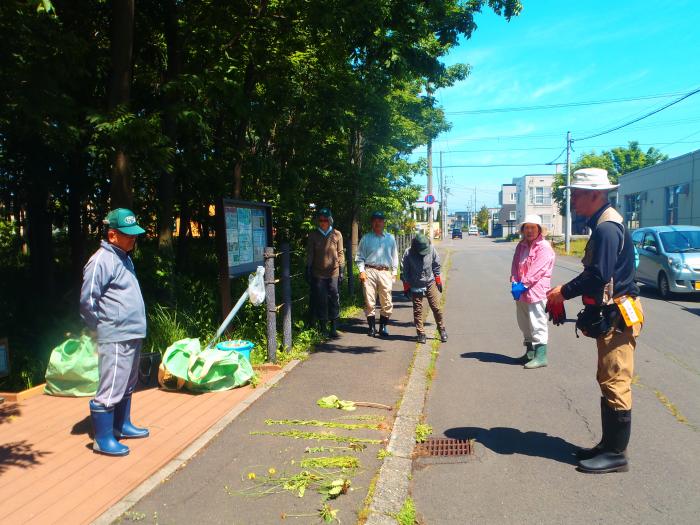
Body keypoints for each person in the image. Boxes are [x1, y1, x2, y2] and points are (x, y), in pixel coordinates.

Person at [547, 168, 643, 474]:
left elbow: (598, 275)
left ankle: (616, 454)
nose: (572, 198)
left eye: (577, 192)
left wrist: (563, 292)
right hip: (613, 312)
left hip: (619, 314)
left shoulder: (606, 228)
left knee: (616, 380)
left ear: (596, 195)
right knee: (607, 377)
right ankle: (607, 445)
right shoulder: (604, 223)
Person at [80, 208, 149, 456]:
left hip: (132, 332)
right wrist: (100, 328)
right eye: (128, 234)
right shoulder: (101, 260)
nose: (134, 238)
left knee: (126, 383)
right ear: (112, 235)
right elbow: (88, 300)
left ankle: (122, 425)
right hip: (116, 334)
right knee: (110, 387)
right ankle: (103, 438)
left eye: (135, 234)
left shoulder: (124, 257)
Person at [510, 214, 555, 369]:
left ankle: (541, 356)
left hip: (536, 291)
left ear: (539, 230)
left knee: (537, 322)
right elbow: (515, 265)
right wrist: (515, 282)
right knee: (524, 322)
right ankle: (529, 353)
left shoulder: (544, 247)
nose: (529, 231)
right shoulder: (521, 245)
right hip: (521, 291)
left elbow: (538, 270)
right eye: (527, 227)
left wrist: (523, 284)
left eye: (533, 228)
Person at [356, 211, 399, 337]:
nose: (377, 223)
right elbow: (359, 257)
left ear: (383, 222)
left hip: (385, 272)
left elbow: (395, 256)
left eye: (380, 220)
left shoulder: (390, 238)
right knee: (369, 300)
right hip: (369, 271)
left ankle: (383, 326)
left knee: (387, 301)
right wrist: (361, 271)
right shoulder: (366, 238)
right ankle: (371, 327)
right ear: (371, 223)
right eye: (375, 220)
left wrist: (395, 272)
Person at [306, 208, 345, 338]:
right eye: (320, 220)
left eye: (325, 220)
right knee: (321, 299)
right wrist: (308, 268)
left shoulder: (337, 234)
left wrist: (342, 270)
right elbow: (310, 254)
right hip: (318, 273)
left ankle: (334, 326)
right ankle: (323, 326)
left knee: (334, 296)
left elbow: (340, 253)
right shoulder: (313, 235)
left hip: (333, 272)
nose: (322, 222)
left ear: (329, 220)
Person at [401, 233, 447, 344]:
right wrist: (406, 287)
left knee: (436, 307)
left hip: (429, 282)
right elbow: (404, 271)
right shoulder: (408, 253)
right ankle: (421, 333)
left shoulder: (431, 249)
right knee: (418, 310)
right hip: (416, 283)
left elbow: (436, 264)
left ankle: (441, 329)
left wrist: (438, 279)